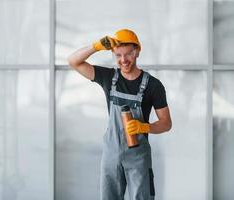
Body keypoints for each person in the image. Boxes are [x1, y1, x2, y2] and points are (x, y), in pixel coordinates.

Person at [67, 29, 172, 200]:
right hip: (111, 154)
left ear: (137, 51)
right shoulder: (108, 77)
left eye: (128, 54)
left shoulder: (154, 86)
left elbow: (166, 123)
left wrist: (144, 126)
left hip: (138, 156)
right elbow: (73, 61)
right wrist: (96, 46)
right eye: (118, 55)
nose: (123, 60)